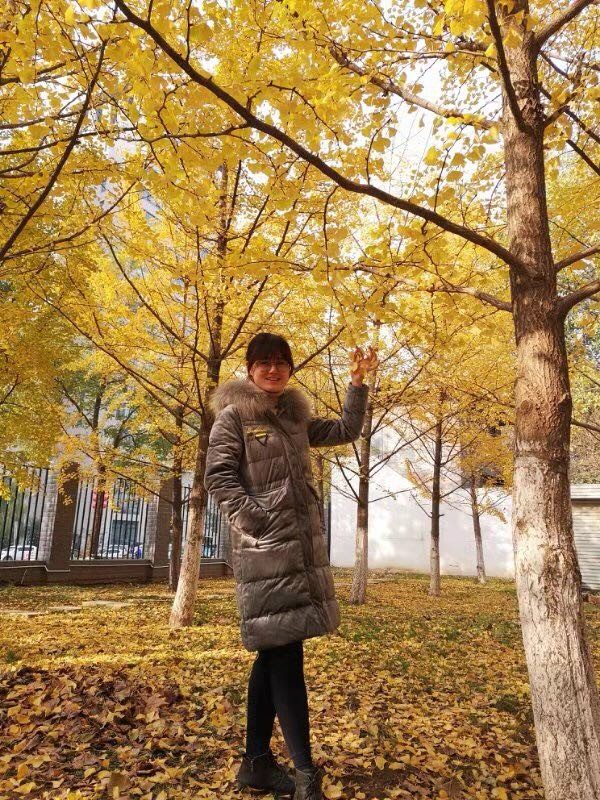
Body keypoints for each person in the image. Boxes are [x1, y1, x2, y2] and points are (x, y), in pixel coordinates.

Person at [204, 333, 378, 800]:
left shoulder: (293, 417)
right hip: (265, 554)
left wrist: (357, 385)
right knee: (285, 657)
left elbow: (345, 430)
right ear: (249, 368)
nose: (274, 369)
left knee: (274, 652)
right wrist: (259, 522)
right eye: (264, 362)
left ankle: (256, 765)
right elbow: (218, 477)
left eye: (281, 362)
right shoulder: (234, 417)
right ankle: (305, 773)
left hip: (297, 554)